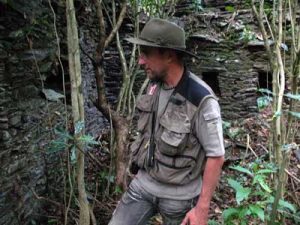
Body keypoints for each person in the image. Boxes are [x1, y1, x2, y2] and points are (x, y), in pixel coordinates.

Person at [108, 18, 225, 225]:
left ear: (169, 55)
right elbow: (149, 134)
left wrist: (202, 208)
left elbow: (216, 156)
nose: (140, 61)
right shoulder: (154, 86)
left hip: (180, 197)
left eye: (146, 54)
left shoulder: (201, 99)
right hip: (144, 185)